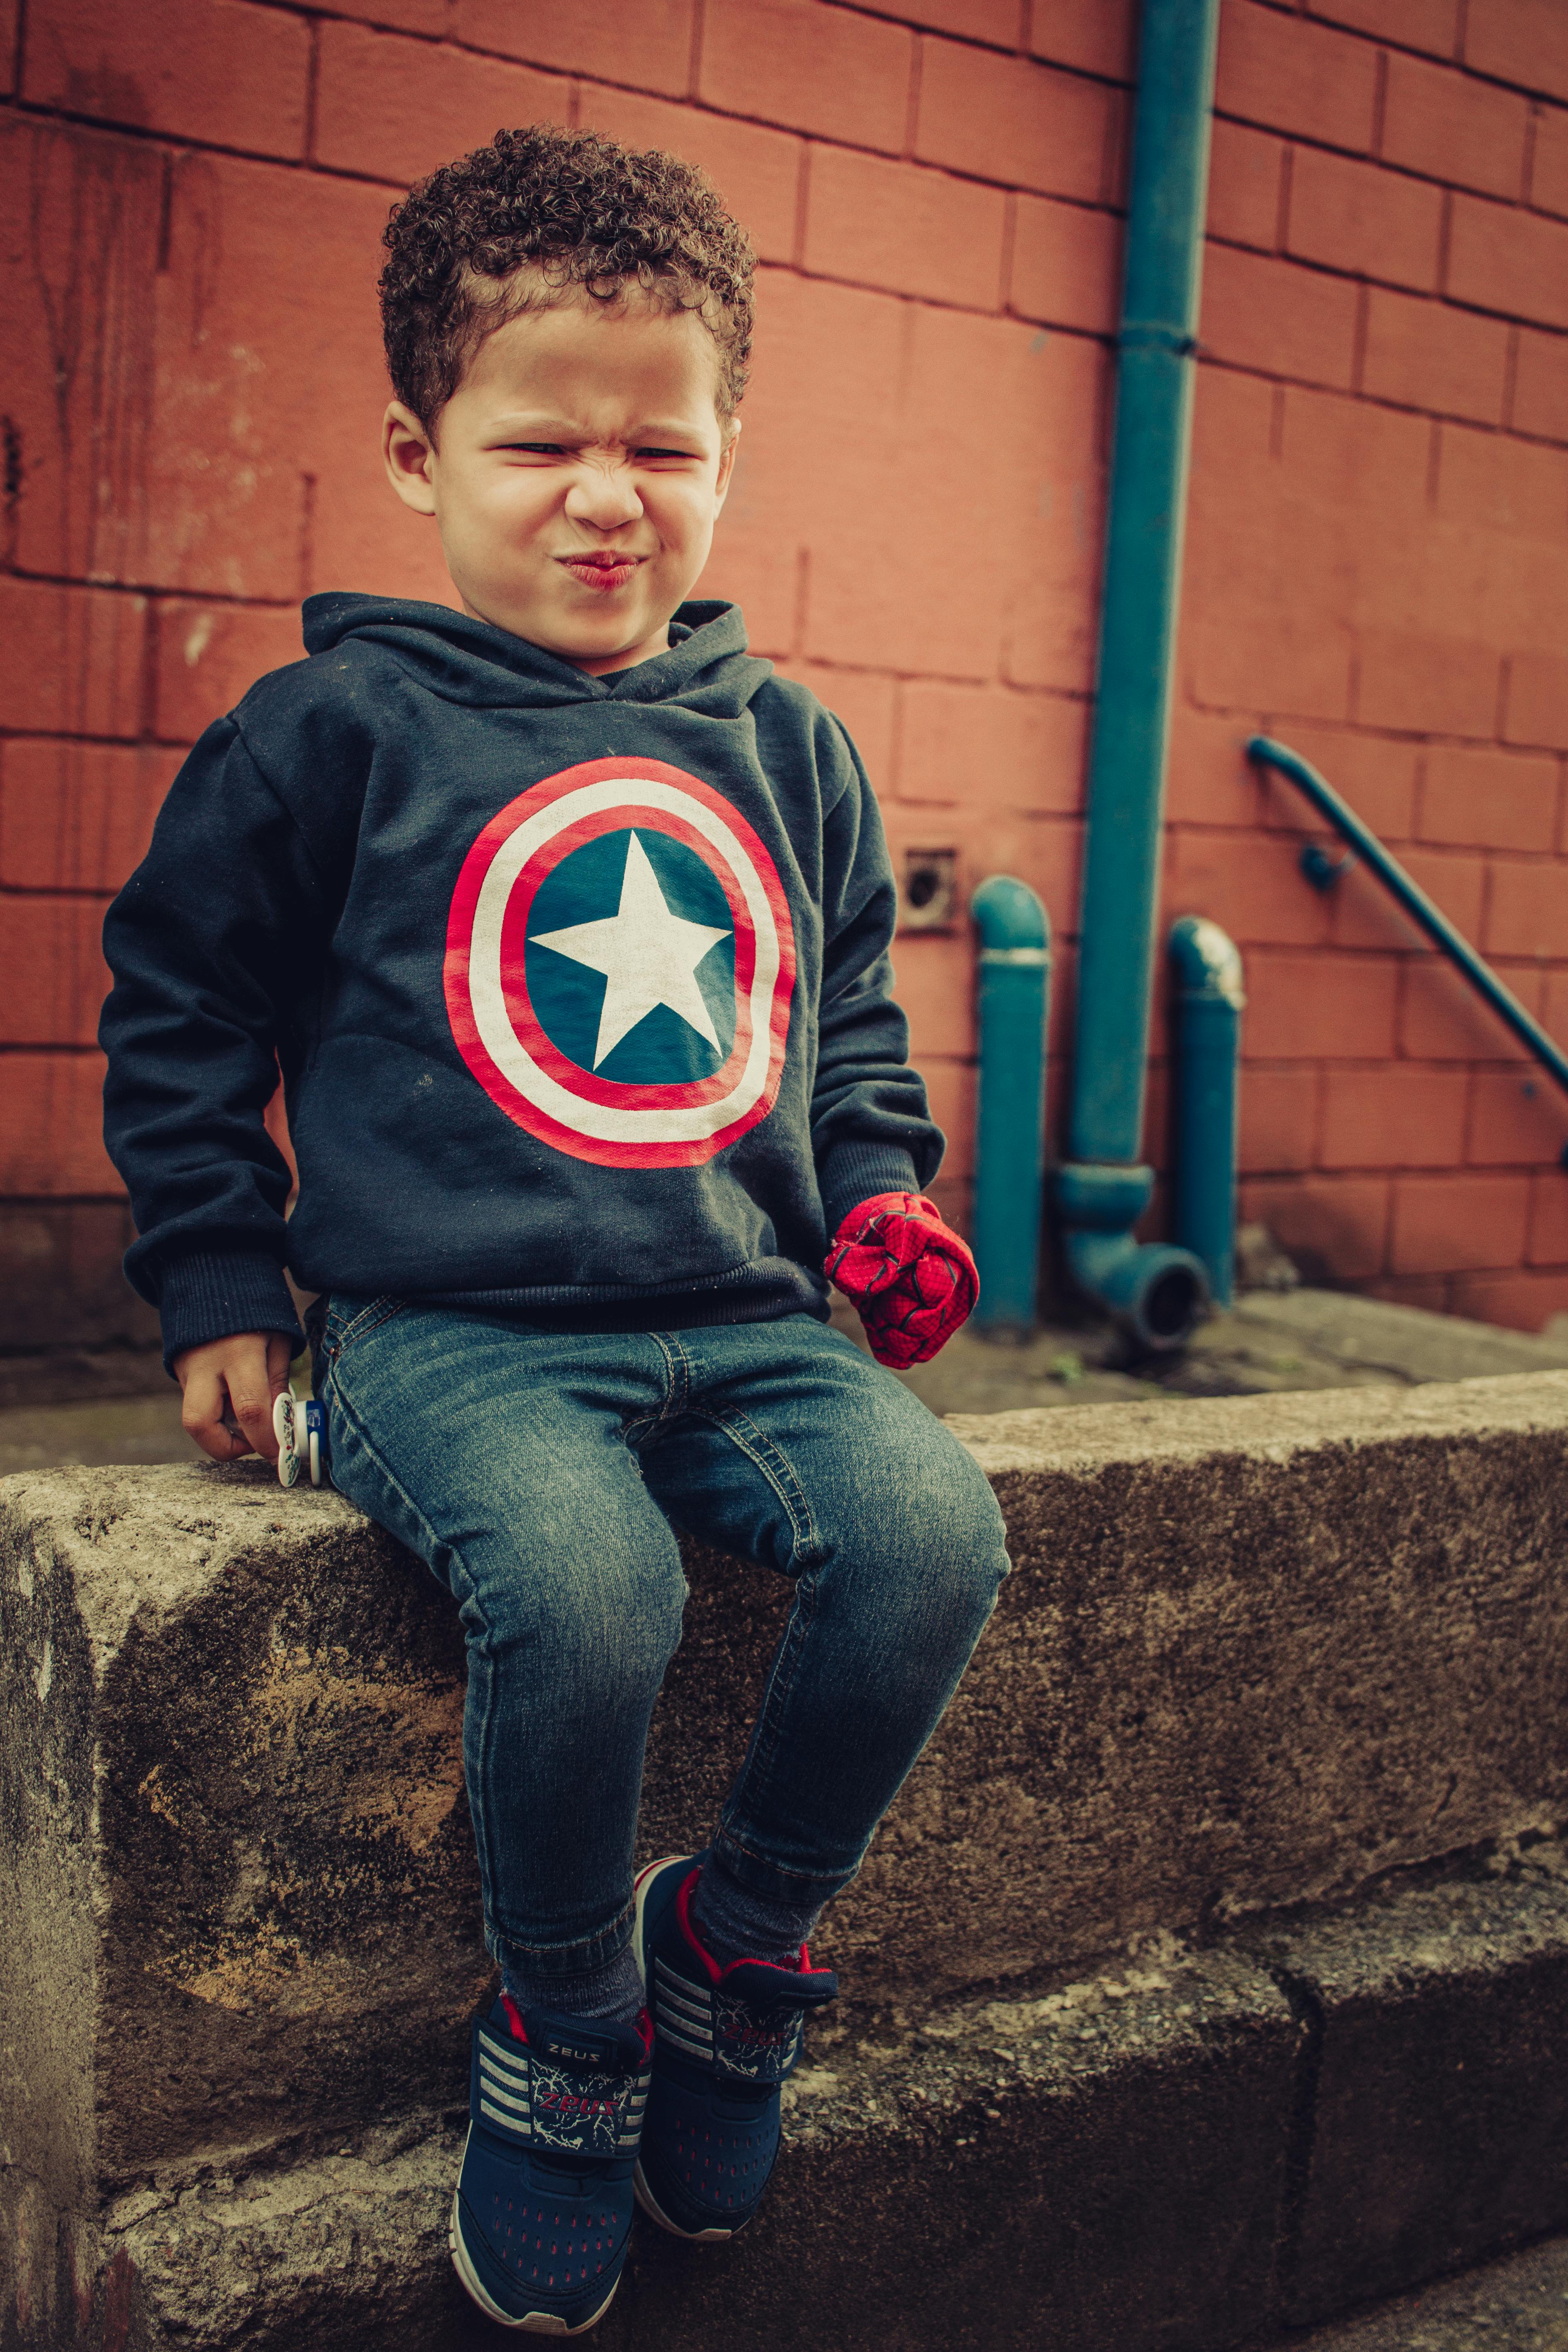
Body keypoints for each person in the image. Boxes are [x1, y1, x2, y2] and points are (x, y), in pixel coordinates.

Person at [101, 124, 1010, 2338]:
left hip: (748, 1314)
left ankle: (740, 1947)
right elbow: (183, 997)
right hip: (452, 1331)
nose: (607, 490)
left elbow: (852, 1029)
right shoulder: (333, 732)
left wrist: (883, 1204)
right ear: (419, 456)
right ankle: (569, 2027)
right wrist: (222, 1275)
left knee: (936, 1539)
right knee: (586, 1590)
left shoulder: (787, 747)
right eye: (541, 442)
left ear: (725, 456)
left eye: (660, 443)